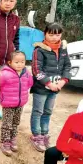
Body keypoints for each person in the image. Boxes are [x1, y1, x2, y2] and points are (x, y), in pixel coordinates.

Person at [30, 96, 83, 164]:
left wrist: (73, 145)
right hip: (74, 152)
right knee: (51, 153)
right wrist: (77, 150)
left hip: (77, 155)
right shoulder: (82, 105)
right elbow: (61, 142)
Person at [30, 23, 71, 152]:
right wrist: (49, 83)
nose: (54, 37)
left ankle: (44, 133)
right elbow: (36, 70)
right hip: (41, 88)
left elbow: (67, 67)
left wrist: (63, 81)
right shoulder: (39, 50)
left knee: (48, 111)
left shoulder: (63, 49)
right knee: (38, 112)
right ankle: (36, 136)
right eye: (51, 34)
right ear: (45, 34)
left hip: (55, 89)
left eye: (57, 34)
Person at [0, 51, 33, 156]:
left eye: (22, 61)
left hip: (20, 104)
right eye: (17, 62)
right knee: (7, 124)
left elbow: (30, 83)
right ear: (10, 62)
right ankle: (5, 142)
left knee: (15, 123)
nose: (20, 64)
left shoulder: (26, 73)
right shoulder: (4, 74)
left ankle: (12, 139)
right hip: (8, 104)